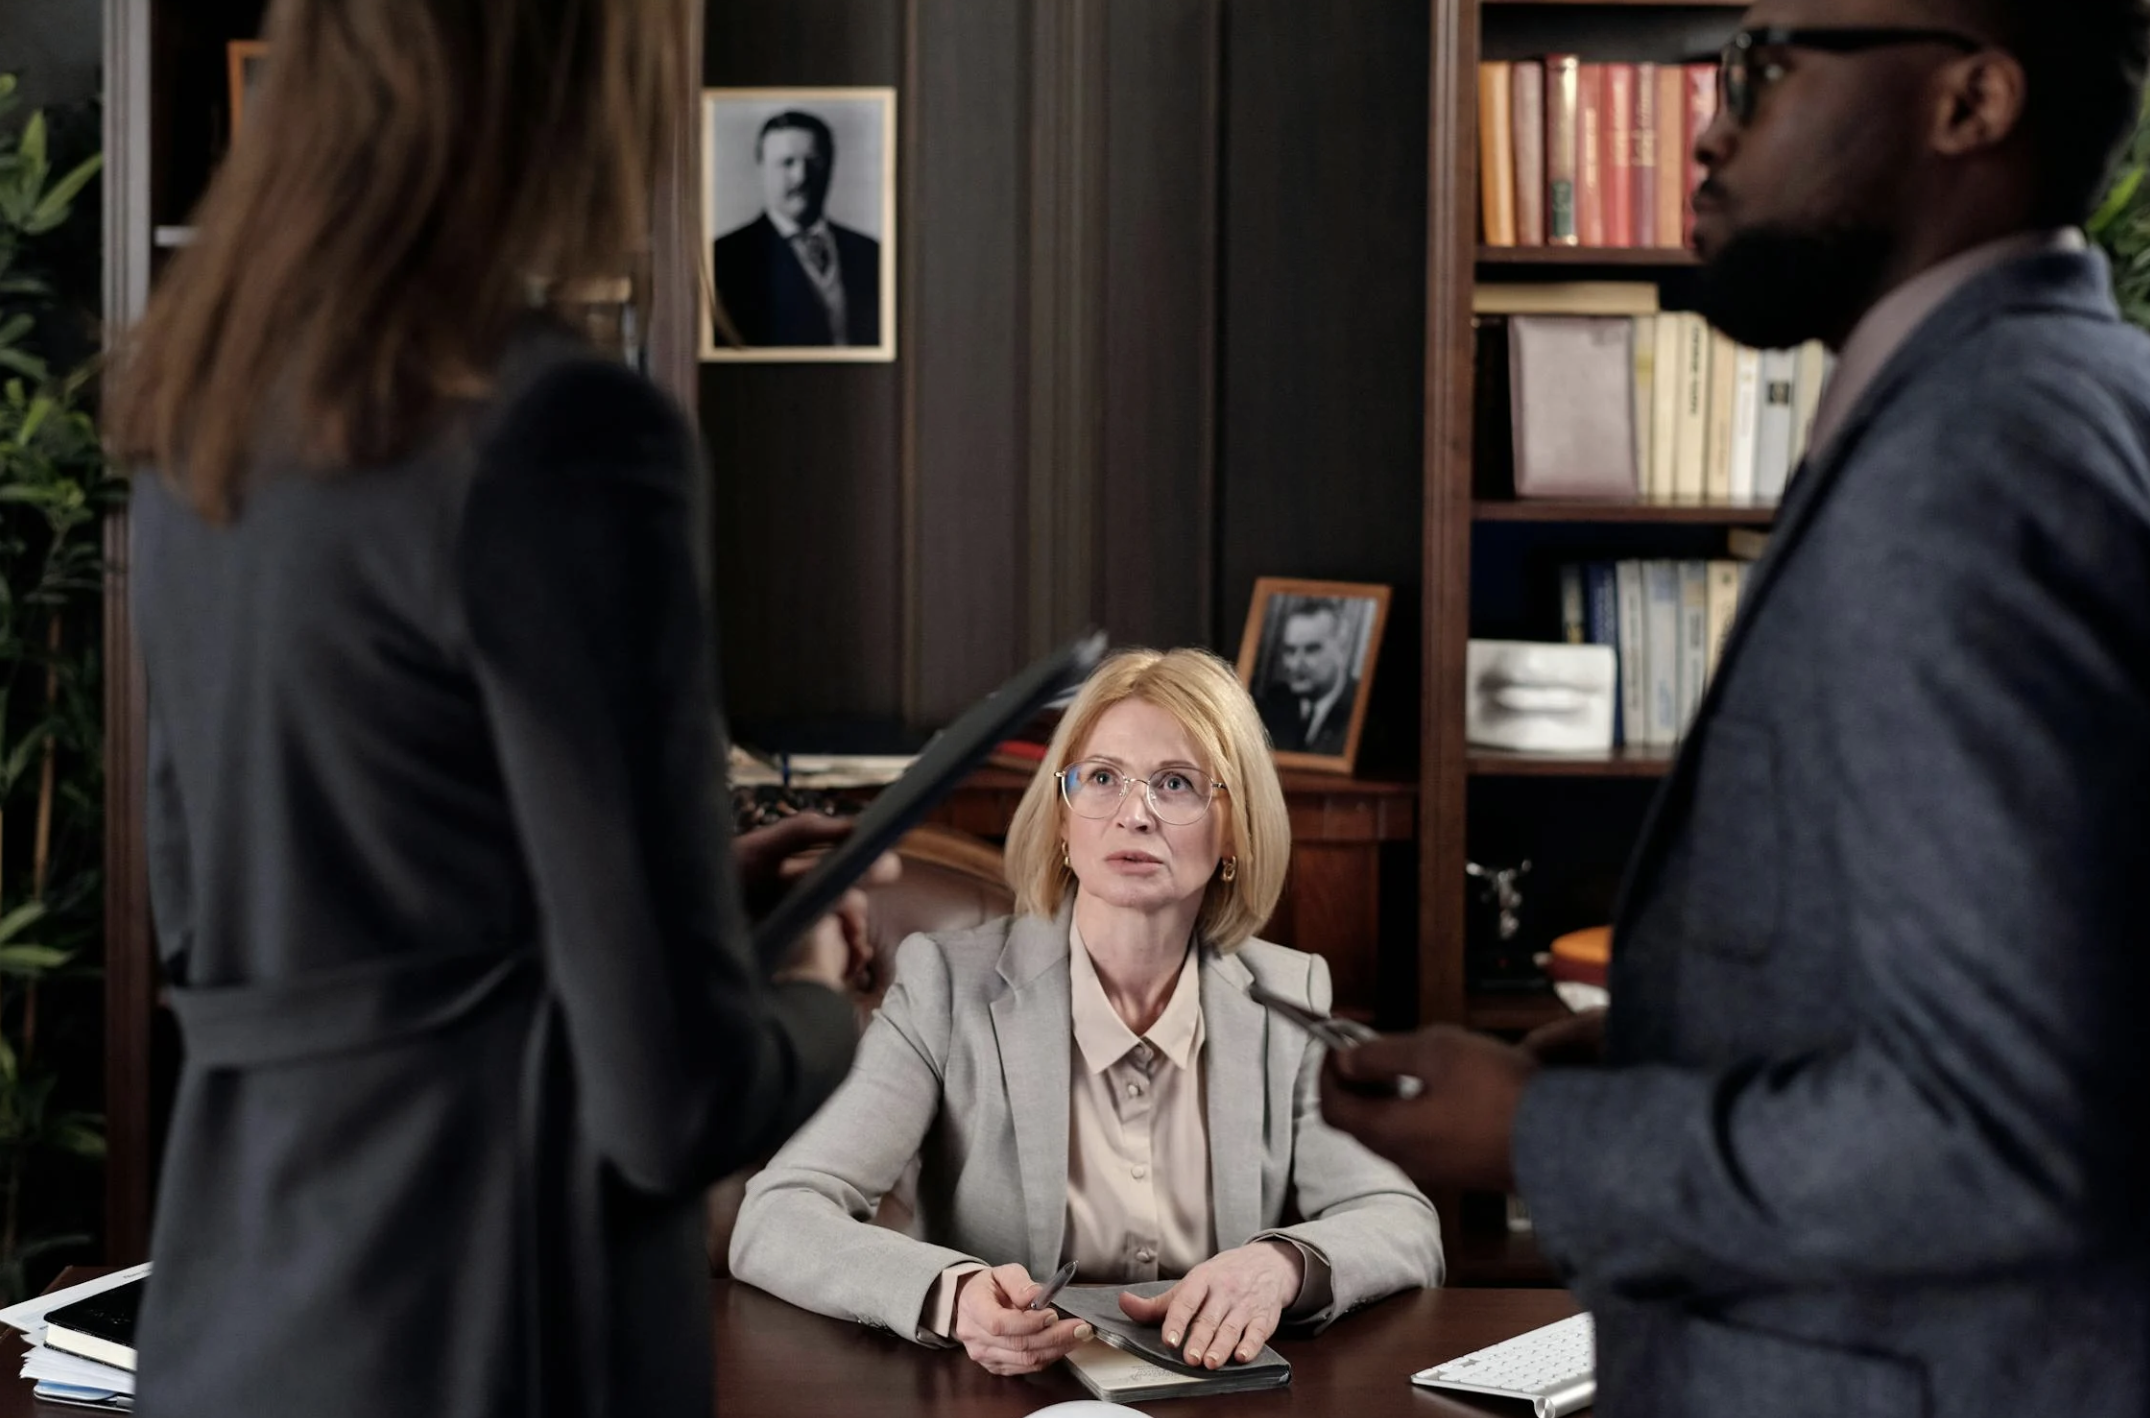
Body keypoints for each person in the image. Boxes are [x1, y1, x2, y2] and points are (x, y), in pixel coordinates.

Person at [1323, 1, 2150, 1415]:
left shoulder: (1965, 467)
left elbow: (2004, 1130)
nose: (1703, 129)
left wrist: (1541, 1136)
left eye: (1763, 70)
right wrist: (1683, 1028)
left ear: (1972, 102)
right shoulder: (2078, 395)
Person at [103, 3, 885, 1416]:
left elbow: (250, 936)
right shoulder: (561, 432)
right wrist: (818, 994)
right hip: (491, 1326)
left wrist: (674, 902)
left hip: (239, 1322)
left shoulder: (196, 421)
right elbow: (674, 1105)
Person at [730, 648, 1442, 1376]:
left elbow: (1402, 1222)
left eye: (1176, 784)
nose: (1135, 814)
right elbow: (779, 1214)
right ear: (1063, 822)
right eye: (1102, 778)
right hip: (1014, 1398)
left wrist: (1282, 1266)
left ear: (1234, 831)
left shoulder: (1289, 996)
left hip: (1218, 1399)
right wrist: (952, 1293)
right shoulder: (947, 985)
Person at [710, 110, 882, 348]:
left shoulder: (871, 252)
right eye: (787, 162)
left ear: (830, 165)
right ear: (762, 168)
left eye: (813, 161)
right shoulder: (724, 258)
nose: (801, 177)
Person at [1252, 599, 1360, 755]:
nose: (1295, 665)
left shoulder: (1359, 708)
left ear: (1341, 650)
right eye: (1290, 650)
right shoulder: (1271, 703)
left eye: (1311, 650)